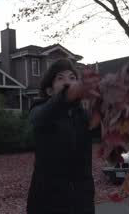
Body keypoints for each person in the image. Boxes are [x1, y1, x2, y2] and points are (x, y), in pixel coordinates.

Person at [27, 59, 100, 214]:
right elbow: (40, 118)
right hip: (47, 202)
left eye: (72, 78)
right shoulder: (39, 109)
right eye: (60, 78)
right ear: (50, 91)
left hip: (82, 201)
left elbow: (103, 133)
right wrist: (67, 95)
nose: (68, 82)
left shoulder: (83, 116)